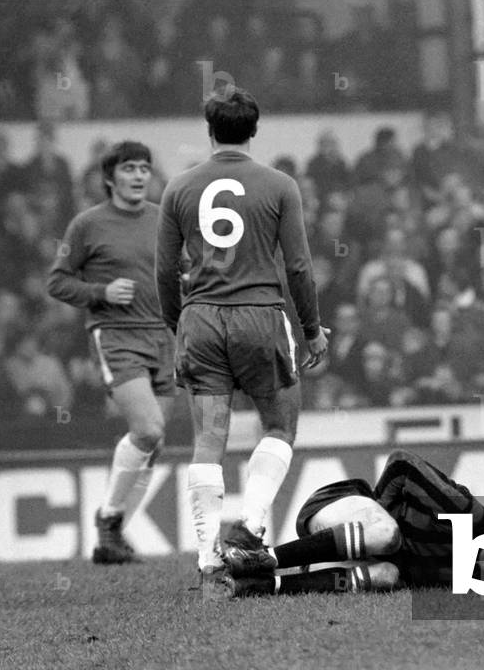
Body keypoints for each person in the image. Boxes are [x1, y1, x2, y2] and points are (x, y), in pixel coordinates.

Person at [155, 86, 329, 595]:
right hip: (259, 317)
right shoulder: (278, 185)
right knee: (279, 426)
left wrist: (177, 324)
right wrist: (313, 329)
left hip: (202, 320)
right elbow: (297, 265)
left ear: (210, 132)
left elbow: (166, 269)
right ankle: (250, 530)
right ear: (255, 130)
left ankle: (209, 558)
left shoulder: (178, 188)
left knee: (209, 439)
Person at [47, 140, 176, 564]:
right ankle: (108, 520)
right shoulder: (87, 225)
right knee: (149, 429)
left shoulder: (163, 220)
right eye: (129, 168)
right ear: (109, 178)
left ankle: (111, 535)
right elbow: (58, 282)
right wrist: (101, 291)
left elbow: (180, 273)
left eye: (144, 168)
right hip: (115, 334)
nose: (139, 175)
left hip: (163, 337)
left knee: (154, 446)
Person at [227, 449, 484, 596]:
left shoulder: (467, 580)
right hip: (339, 505)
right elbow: (402, 464)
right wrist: (381, 510)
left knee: (388, 575)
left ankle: (261, 586)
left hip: (356, 551)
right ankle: (263, 558)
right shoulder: (466, 515)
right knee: (387, 536)